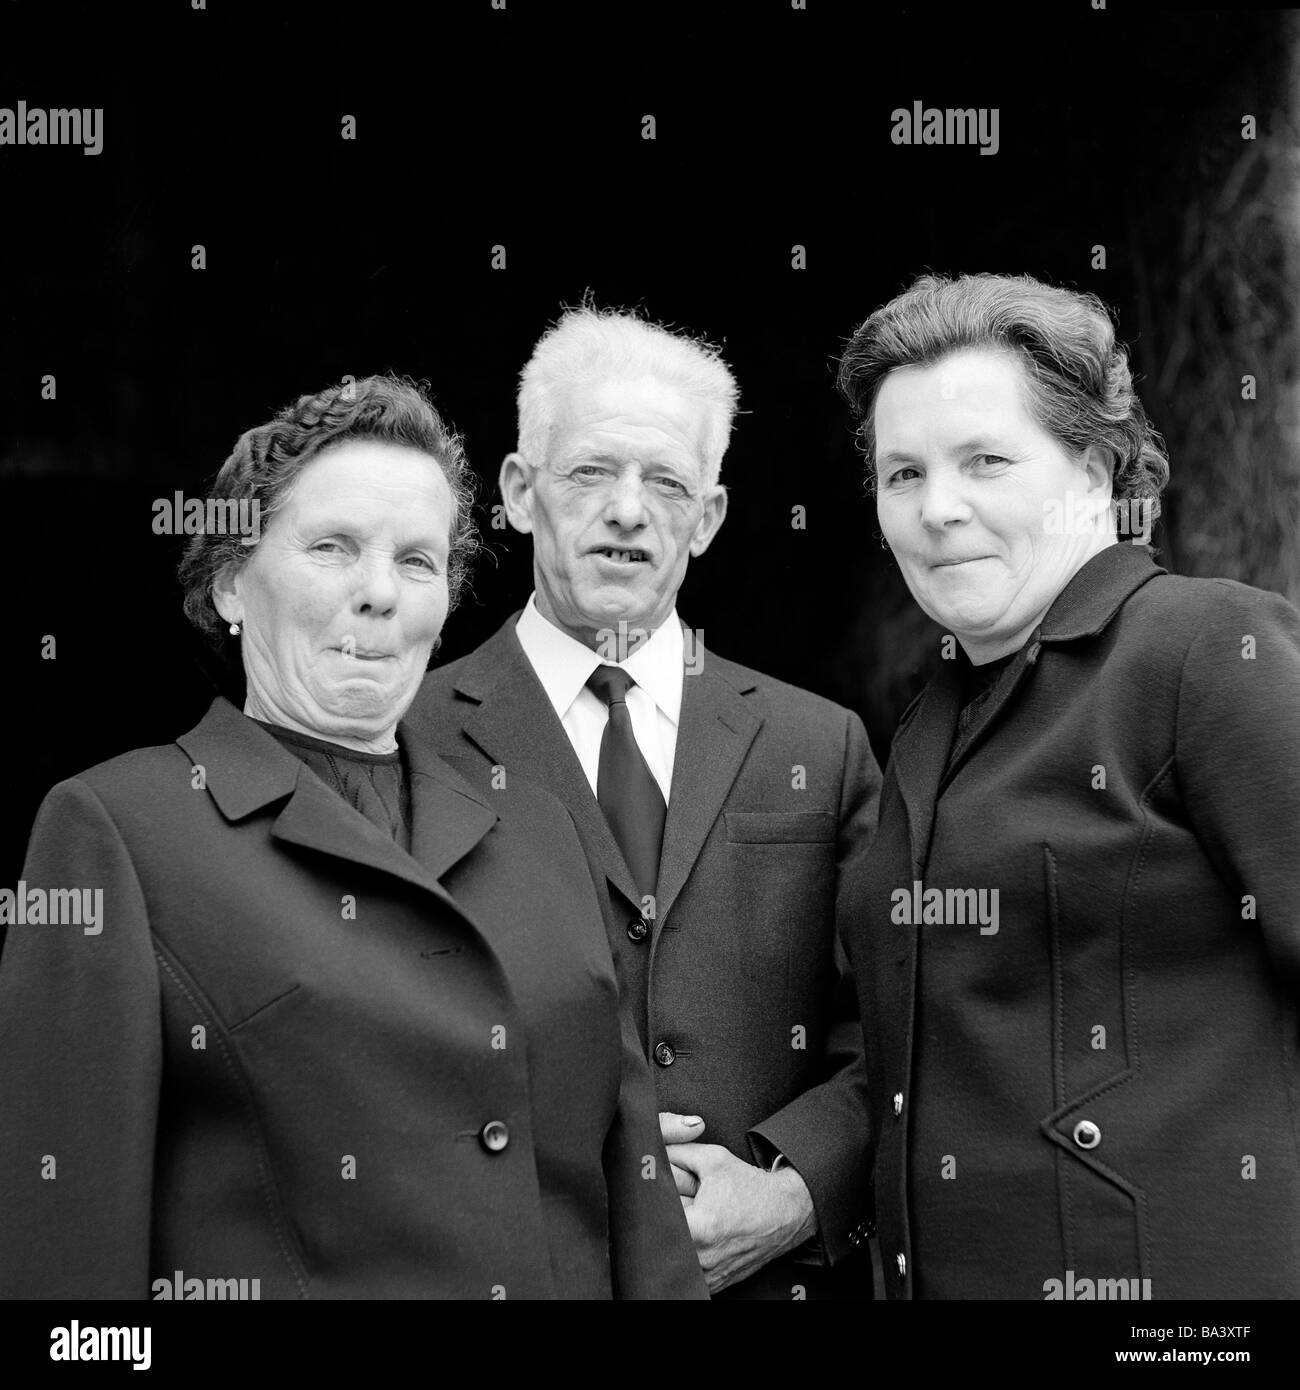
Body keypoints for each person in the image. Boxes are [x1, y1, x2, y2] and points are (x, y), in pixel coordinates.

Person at [0, 374, 706, 1300]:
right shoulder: (119, 832)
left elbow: (637, 1209)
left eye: (417, 562)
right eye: (333, 547)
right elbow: (66, 1270)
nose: (379, 594)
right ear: (229, 584)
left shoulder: (537, 820)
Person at [836, 271, 1300, 1300]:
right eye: (902, 474)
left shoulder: (1203, 650)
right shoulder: (927, 724)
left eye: (985, 461)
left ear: (1093, 471)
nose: (938, 508)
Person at [408, 307, 880, 1299]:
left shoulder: (817, 745)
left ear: (706, 518)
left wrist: (793, 1189)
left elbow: (900, 1024)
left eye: (665, 481)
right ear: (518, 494)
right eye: (589, 472)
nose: (627, 510)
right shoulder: (405, 740)